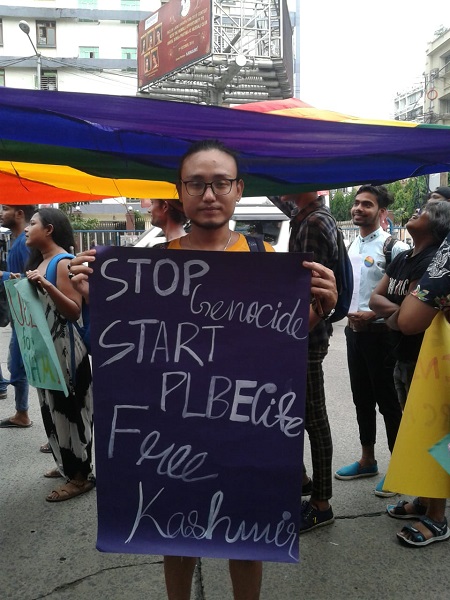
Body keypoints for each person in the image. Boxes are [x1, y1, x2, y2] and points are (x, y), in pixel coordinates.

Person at [69, 139, 338, 600]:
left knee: (248, 537)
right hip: (173, 430)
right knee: (175, 534)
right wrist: (100, 296)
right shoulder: (151, 265)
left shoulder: (268, 261)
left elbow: (278, 341)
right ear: (179, 190)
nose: (209, 194)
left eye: (221, 183)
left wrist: (320, 308)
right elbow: (132, 341)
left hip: (246, 426)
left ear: (239, 189)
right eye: (196, 183)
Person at [335, 185, 409, 497]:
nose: (358, 208)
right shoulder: (352, 245)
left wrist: (373, 315)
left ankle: (400, 471)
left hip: (383, 337)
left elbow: (407, 299)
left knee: (389, 404)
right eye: (356, 203)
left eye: (367, 204)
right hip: (354, 335)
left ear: (381, 212)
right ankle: (367, 460)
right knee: (361, 399)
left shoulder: (394, 248)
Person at [24, 208, 95, 502]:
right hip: (46, 350)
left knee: (70, 410)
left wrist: (47, 285)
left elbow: (73, 311)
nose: (27, 228)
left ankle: (80, 476)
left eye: (32, 223)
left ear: (49, 229)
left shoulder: (63, 262)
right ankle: (66, 461)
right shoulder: (41, 262)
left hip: (65, 350)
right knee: (51, 408)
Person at [386, 230, 450, 546]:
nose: (423, 209)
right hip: (432, 355)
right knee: (431, 429)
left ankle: (437, 515)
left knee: (440, 433)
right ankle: (427, 501)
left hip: (435, 354)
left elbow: (408, 318)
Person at [279, 191, 338, 533]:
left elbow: (314, 291)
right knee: (295, 412)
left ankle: (321, 504)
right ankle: (302, 480)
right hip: (299, 333)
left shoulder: (314, 222)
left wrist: (296, 329)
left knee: (314, 420)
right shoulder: (304, 216)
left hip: (306, 336)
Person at [369, 201, 450, 408]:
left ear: (439, 223)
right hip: (402, 358)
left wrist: (393, 314)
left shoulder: (435, 261)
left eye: (426, 211)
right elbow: (374, 298)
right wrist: (401, 311)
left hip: (424, 361)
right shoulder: (403, 257)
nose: (416, 212)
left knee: (419, 420)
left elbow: (407, 320)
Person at [0, 204, 35, 428]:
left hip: (26, 316)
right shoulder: (17, 241)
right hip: (19, 314)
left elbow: (31, 276)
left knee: (20, 366)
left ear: (20, 214)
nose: (1, 213)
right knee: (16, 365)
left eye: (5, 208)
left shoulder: (24, 242)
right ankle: (21, 413)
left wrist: (3, 275)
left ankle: (23, 414)